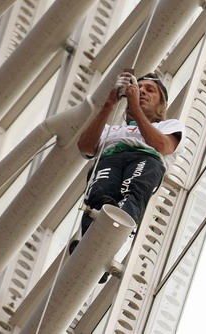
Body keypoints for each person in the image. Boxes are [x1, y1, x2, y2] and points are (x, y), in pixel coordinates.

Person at [69, 72, 184, 282]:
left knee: (132, 193)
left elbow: (161, 146)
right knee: (99, 194)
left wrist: (136, 108)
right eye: (138, 88)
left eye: (150, 90)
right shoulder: (112, 129)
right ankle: (89, 244)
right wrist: (110, 104)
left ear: (161, 104)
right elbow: (85, 146)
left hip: (146, 158)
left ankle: (110, 247)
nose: (142, 92)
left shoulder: (169, 126)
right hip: (110, 158)